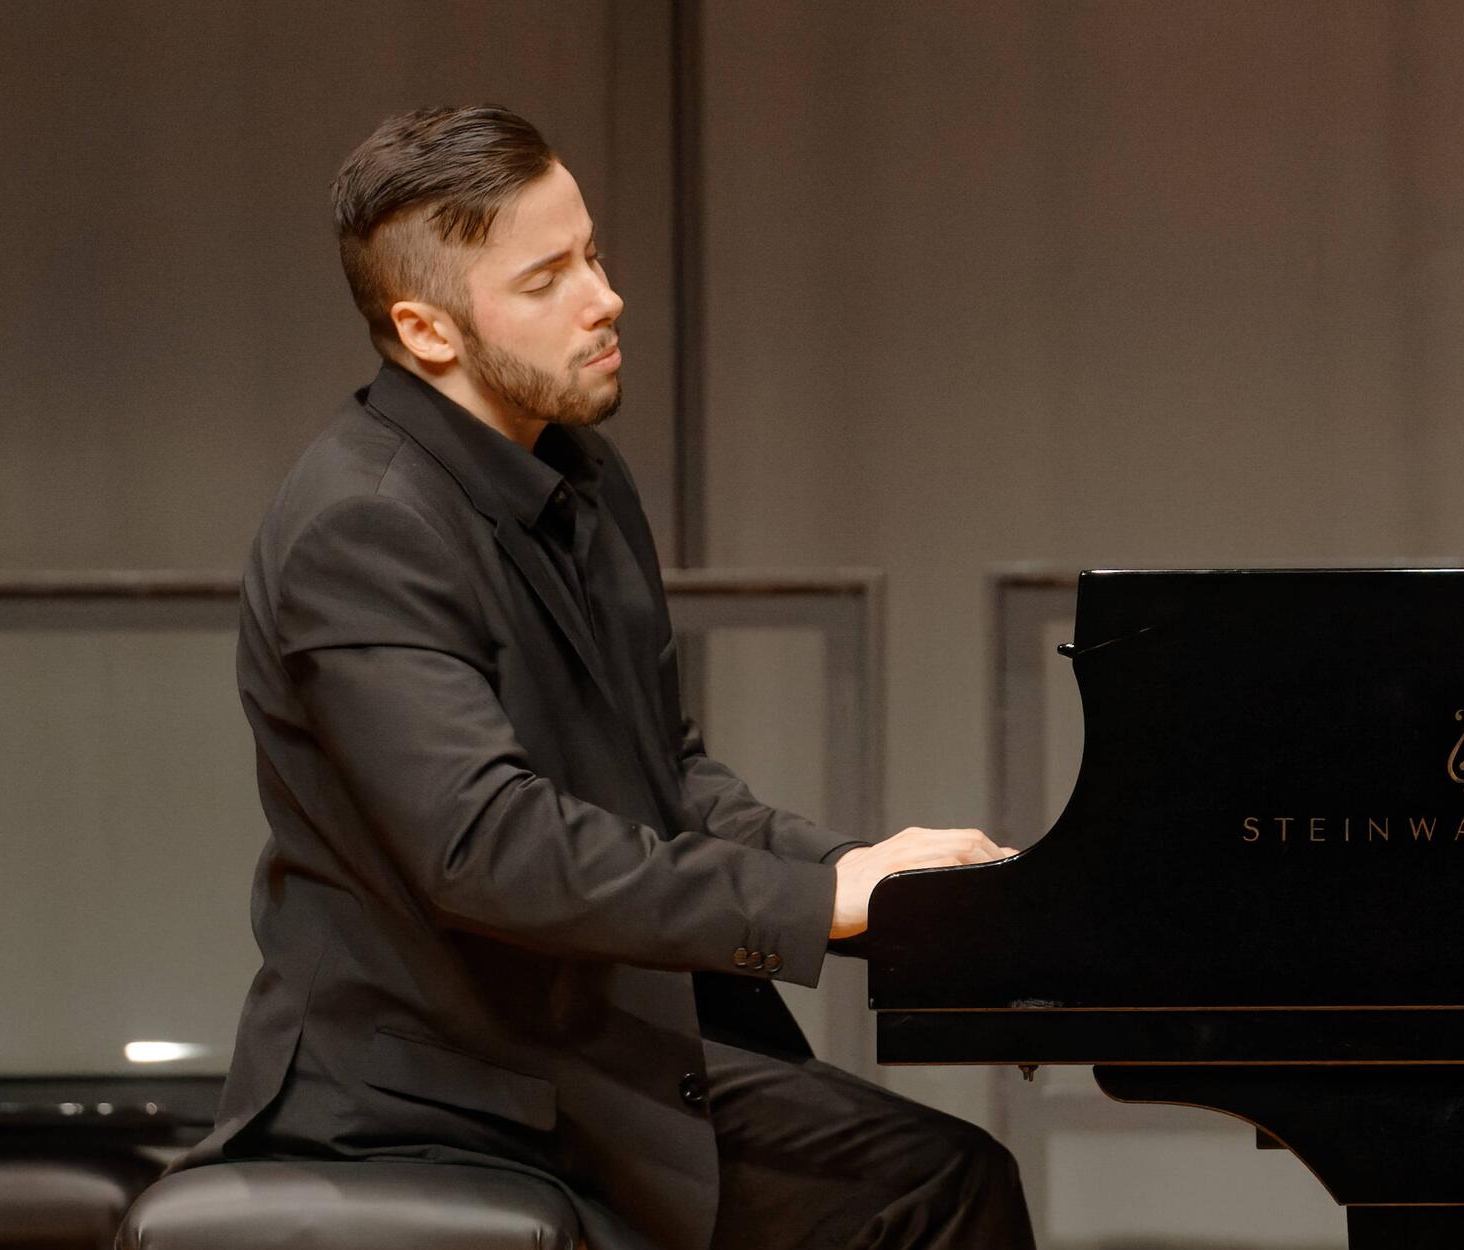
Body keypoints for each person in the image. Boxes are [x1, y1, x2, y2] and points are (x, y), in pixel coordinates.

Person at [180, 105, 1036, 1250]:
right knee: (934, 1187)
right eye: (547, 278)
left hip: (565, 1041)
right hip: (434, 1087)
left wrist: (866, 875)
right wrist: (821, 906)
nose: (605, 295)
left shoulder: (576, 471)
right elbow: (486, 849)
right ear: (426, 331)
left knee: (939, 1172)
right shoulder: (362, 526)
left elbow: (663, 775)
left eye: (590, 252)